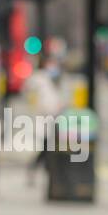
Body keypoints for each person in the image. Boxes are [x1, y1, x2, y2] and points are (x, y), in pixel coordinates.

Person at [23, 53, 65, 184]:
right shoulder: (39, 79)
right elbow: (32, 93)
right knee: (47, 147)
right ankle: (39, 170)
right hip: (44, 120)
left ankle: (44, 171)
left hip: (52, 119)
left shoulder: (51, 80)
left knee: (48, 148)